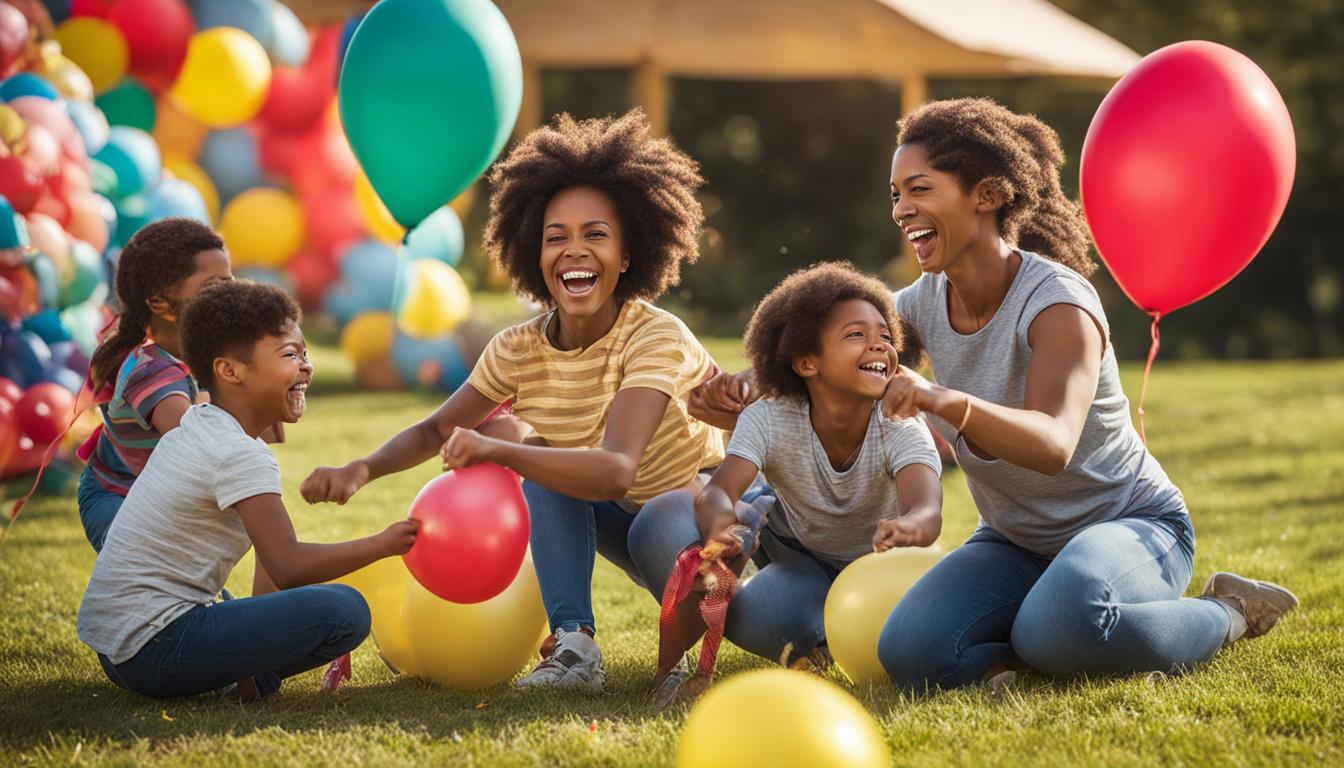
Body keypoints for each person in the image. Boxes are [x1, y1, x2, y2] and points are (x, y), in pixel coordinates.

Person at [873, 97, 1297, 689]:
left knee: (1060, 627)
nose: (902, 209)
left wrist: (944, 400)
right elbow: (842, 358)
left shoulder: (1057, 303)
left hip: (1132, 525)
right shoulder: (917, 305)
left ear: (988, 195)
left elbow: (1053, 444)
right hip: (1014, 540)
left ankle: (1227, 611)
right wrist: (751, 387)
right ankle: (1025, 660)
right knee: (909, 651)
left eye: (918, 189)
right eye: (896, 194)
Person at [300, 110, 725, 693]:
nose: (574, 251)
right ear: (534, 255)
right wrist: (362, 468)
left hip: (697, 507)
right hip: (619, 511)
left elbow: (617, 469)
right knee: (549, 468)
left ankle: (683, 666)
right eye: (557, 238)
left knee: (648, 514)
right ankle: (574, 648)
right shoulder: (517, 349)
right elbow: (434, 431)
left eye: (595, 235)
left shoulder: (654, 336)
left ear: (628, 256)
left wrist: (504, 452)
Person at [77, 280, 417, 700]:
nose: (306, 366)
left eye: (306, 353)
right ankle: (249, 682)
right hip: (154, 650)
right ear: (230, 370)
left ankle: (249, 682)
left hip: (120, 650)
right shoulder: (236, 451)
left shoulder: (204, 425)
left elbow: (271, 557)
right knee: (344, 612)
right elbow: (288, 563)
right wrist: (384, 544)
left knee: (315, 608)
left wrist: (262, 632)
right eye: (291, 354)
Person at [629, 262, 943, 703]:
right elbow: (720, 488)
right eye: (856, 335)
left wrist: (912, 526)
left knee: (897, 635)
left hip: (879, 572)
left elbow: (927, 508)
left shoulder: (900, 423)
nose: (878, 345)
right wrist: (721, 522)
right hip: (805, 561)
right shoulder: (771, 415)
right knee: (752, 619)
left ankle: (831, 634)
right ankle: (810, 619)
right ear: (806, 362)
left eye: (885, 336)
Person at [78, 217, 233, 553]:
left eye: (229, 282)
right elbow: (193, 441)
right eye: (211, 287)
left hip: (159, 494)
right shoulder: (151, 371)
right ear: (161, 304)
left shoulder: (207, 353)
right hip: (118, 500)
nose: (228, 296)